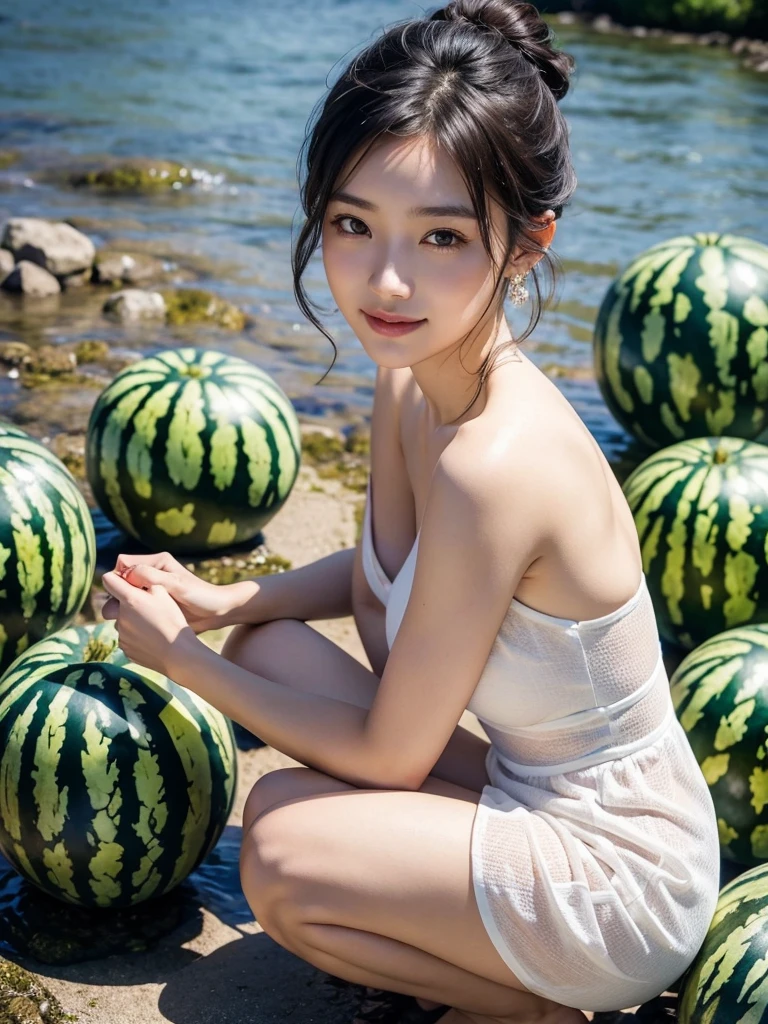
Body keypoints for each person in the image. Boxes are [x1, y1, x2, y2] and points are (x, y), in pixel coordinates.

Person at [100, 2, 721, 1022]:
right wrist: (221, 600)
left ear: (528, 243)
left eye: (440, 236)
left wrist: (181, 660)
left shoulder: (499, 462)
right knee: (265, 645)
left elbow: (392, 754)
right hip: (522, 784)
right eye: (353, 224)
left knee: (283, 848)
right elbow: (383, 572)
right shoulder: (413, 375)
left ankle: (529, 1012)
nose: (385, 280)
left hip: (621, 874)